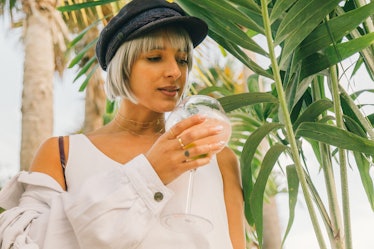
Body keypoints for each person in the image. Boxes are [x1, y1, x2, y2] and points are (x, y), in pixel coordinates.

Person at [0, 0, 245, 248]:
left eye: (182, 60)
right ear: (122, 66)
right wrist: (150, 174)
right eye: (155, 57)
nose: (175, 71)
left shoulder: (221, 159)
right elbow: (25, 242)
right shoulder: (63, 153)